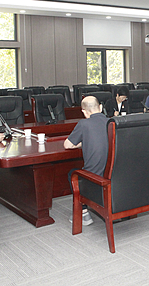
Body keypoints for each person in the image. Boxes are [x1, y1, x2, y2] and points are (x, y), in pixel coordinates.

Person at [64, 96, 109, 226]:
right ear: (100, 107)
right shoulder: (112, 122)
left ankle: (83, 213)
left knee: (73, 173)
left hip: (94, 181)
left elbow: (68, 145)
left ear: (84, 112)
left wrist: (84, 141)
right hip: (113, 177)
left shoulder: (84, 124)